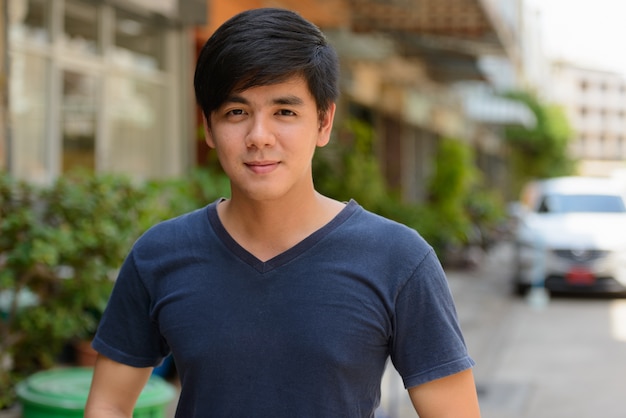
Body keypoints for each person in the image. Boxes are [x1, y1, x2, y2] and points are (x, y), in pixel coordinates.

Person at [85, 7, 481, 418]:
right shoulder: (160, 254)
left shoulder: (397, 259)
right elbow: (109, 403)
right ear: (208, 127)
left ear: (324, 122)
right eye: (236, 112)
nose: (259, 137)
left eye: (284, 112)